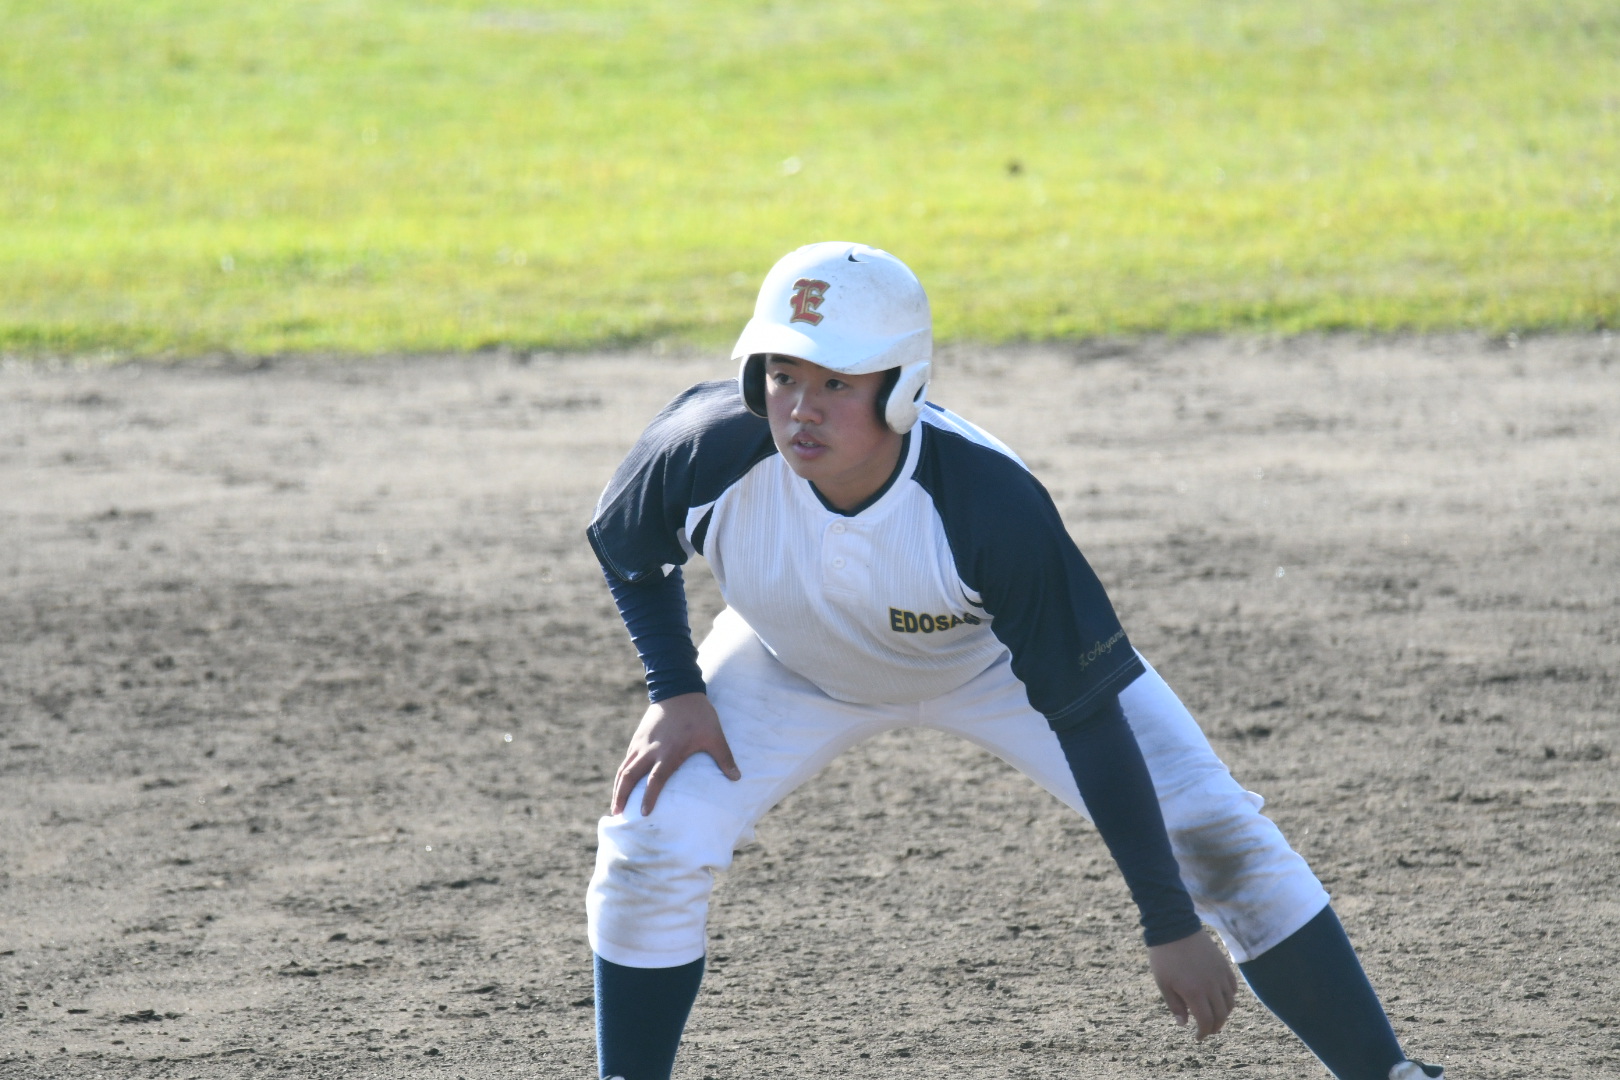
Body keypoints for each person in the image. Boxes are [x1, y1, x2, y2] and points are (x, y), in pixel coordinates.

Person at [584, 242, 1444, 1080]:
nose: (801, 409)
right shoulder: (705, 448)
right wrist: (676, 689)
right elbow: (628, 548)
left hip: (995, 664)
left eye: (837, 383)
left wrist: (1169, 919)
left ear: (902, 387)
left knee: (1217, 834)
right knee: (651, 838)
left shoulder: (990, 507)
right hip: (787, 655)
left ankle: (1387, 1071)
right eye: (782, 375)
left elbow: (1086, 714)